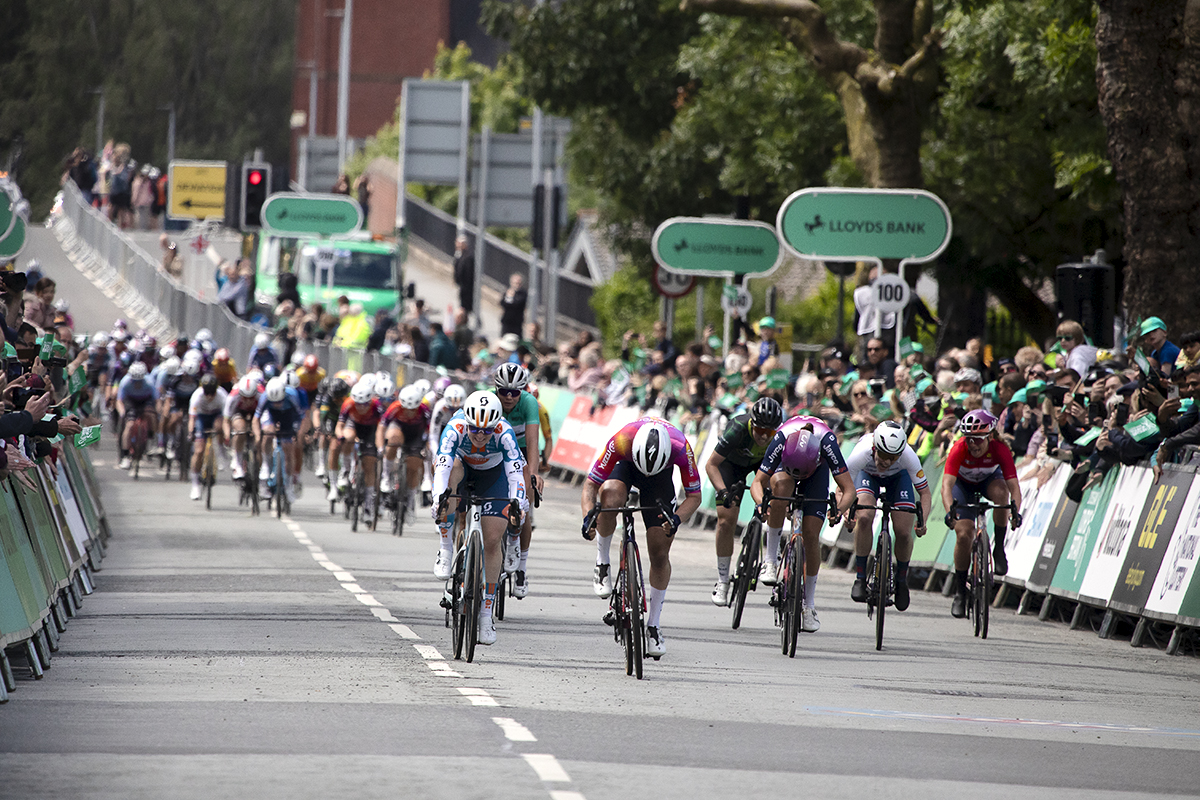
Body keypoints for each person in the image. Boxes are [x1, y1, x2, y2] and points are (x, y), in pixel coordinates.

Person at [581, 419, 702, 658]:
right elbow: (590, 486)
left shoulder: (680, 447)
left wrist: (676, 519)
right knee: (610, 497)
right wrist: (587, 518)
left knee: (659, 552)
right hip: (625, 466)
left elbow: (694, 497)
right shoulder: (622, 440)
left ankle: (654, 626)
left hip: (659, 479)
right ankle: (602, 561)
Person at [432, 391, 528, 647]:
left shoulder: (505, 434)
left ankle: (486, 613)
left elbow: (515, 474)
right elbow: (441, 466)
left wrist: (518, 501)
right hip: (461, 470)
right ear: (467, 422)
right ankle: (445, 548)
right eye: (475, 429)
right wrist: (438, 498)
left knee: (493, 540)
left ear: (496, 424)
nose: (479, 435)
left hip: (493, 476)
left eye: (486, 431)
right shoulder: (454, 428)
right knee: (450, 480)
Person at [750, 415, 856, 633]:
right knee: (780, 487)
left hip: (816, 473)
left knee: (811, 535)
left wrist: (838, 511)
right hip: (785, 467)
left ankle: (809, 606)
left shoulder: (828, 443)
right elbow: (757, 482)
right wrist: (762, 504)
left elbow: (849, 491)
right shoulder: (781, 438)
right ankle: (770, 559)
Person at [940, 409, 1023, 618]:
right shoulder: (959, 448)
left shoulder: (1000, 449)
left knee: (1001, 493)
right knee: (963, 534)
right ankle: (960, 592)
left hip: (988, 481)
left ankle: (999, 549)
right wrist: (950, 511)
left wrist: (1015, 512)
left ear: (989, 437)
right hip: (963, 486)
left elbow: (1014, 487)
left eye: (978, 439)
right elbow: (947, 486)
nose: (973, 445)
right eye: (969, 439)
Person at [705, 397, 784, 605]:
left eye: (770, 433)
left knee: (777, 495)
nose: (764, 437)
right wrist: (722, 491)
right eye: (760, 431)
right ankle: (722, 581)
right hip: (732, 467)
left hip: (762, 466)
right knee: (725, 519)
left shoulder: (779, 437)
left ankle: (770, 561)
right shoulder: (738, 428)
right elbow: (711, 465)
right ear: (752, 424)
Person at [846, 421, 933, 611]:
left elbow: (925, 493)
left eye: (893, 457)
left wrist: (922, 521)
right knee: (865, 516)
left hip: (898, 479)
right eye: (883, 455)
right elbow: (843, 487)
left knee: (903, 531)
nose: (886, 461)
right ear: (875, 447)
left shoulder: (908, 456)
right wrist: (846, 513)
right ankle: (860, 578)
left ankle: (901, 580)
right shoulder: (862, 452)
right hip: (868, 475)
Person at [493, 363, 542, 599]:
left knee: (525, 504)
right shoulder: (490, 402)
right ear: (496, 389)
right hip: (496, 451)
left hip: (521, 450)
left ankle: (521, 568)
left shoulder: (529, 402)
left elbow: (533, 443)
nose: (510, 397)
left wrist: (532, 475)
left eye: (515, 391)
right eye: (504, 392)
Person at [328, 380, 384, 524]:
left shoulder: (377, 407)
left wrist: (380, 447)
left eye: (364, 404)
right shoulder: (348, 404)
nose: (360, 408)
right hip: (354, 425)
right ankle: (345, 471)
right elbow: (340, 425)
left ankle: (368, 506)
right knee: (348, 437)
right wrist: (340, 436)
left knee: (369, 465)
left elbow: (381, 429)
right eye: (357, 404)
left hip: (371, 430)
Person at [379, 384, 431, 523]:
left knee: (414, 467)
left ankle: (410, 501)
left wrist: (427, 448)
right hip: (399, 430)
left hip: (416, 435)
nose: (409, 412)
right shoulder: (394, 407)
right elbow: (382, 427)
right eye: (406, 409)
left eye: (413, 409)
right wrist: (380, 447)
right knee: (393, 440)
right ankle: (385, 476)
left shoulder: (424, 410)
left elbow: (430, 432)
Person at [254, 376, 303, 504]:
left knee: (289, 449)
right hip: (271, 416)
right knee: (268, 434)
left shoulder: (292, 395)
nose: (277, 404)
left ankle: (288, 486)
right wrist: (258, 435)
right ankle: (265, 464)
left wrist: (297, 433)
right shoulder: (265, 397)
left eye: (279, 401)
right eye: (274, 402)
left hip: (288, 416)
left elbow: (299, 417)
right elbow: (256, 419)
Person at [187, 375, 228, 500]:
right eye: (207, 393)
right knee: (199, 451)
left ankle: (220, 451)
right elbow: (192, 419)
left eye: (212, 393)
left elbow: (227, 419)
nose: (210, 396)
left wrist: (226, 435)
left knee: (219, 426)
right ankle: (195, 484)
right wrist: (190, 432)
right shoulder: (196, 396)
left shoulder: (222, 395)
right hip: (201, 418)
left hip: (216, 416)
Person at [115, 361, 158, 470]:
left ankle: (152, 437)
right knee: (129, 425)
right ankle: (125, 456)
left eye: (139, 381)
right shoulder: (125, 382)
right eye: (134, 381)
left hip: (145, 400)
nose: (137, 384)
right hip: (131, 401)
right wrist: (122, 413)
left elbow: (156, 400)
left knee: (151, 414)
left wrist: (156, 412)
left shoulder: (150, 382)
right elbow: (119, 401)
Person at [224, 375, 261, 480]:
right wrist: (227, 436)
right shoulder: (233, 397)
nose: (248, 401)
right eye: (245, 398)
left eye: (251, 398)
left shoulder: (261, 394)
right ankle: (238, 463)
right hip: (239, 411)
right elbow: (226, 420)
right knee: (240, 430)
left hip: (256, 412)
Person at [499, 273, 527, 337]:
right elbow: (502, 303)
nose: (517, 285)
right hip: (507, 321)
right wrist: (508, 297)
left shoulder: (522, 294)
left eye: (518, 284)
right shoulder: (507, 292)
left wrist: (511, 298)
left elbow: (517, 304)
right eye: (515, 283)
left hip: (517, 322)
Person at [452, 236, 475, 315]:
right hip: (462, 286)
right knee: (462, 305)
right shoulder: (459, 255)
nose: (458, 245)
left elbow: (469, 273)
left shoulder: (468, 257)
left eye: (461, 244)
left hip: (466, 288)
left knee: (465, 307)